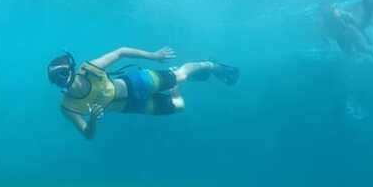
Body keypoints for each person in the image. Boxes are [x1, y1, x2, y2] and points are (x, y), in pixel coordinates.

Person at [47, 47, 239, 139]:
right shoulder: (68, 107)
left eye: (63, 74)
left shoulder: (89, 70)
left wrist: (154, 56)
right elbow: (88, 135)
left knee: (181, 75)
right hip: (130, 106)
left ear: (71, 69)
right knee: (179, 106)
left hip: (138, 83)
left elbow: (121, 52)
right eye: (56, 80)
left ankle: (212, 65)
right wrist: (93, 121)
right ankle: (175, 85)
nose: (62, 81)